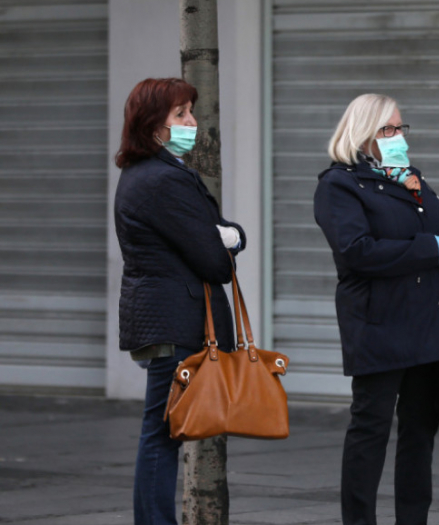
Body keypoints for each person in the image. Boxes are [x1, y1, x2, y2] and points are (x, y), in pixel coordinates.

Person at [313, 93, 439, 525]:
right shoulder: (339, 185)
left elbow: (435, 230)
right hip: (378, 323)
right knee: (370, 430)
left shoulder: (410, 178)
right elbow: (356, 251)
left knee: (420, 432)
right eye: (388, 129)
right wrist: (430, 250)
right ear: (363, 134)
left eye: (400, 128)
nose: (398, 137)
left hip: (426, 320)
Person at [114, 77, 246, 524]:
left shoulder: (146, 174)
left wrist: (227, 235)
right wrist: (230, 240)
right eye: (180, 114)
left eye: (190, 111)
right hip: (175, 322)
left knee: (163, 431)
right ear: (154, 125)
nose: (192, 122)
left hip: (164, 319)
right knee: (161, 434)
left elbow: (212, 234)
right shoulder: (163, 180)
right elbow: (213, 261)